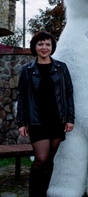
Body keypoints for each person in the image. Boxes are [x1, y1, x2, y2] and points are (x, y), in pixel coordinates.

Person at [16, 31, 75, 197]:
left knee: (49, 159)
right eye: (40, 44)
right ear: (35, 47)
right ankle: (35, 194)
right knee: (41, 159)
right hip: (37, 121)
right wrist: (22, 122)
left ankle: (44, 192)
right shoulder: (27, 70)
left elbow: (69, 93)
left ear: (52, 47)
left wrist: (70, 119)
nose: (44, 47)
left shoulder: (61, 68)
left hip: (57, 120)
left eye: (47, 44)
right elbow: (22, 97)